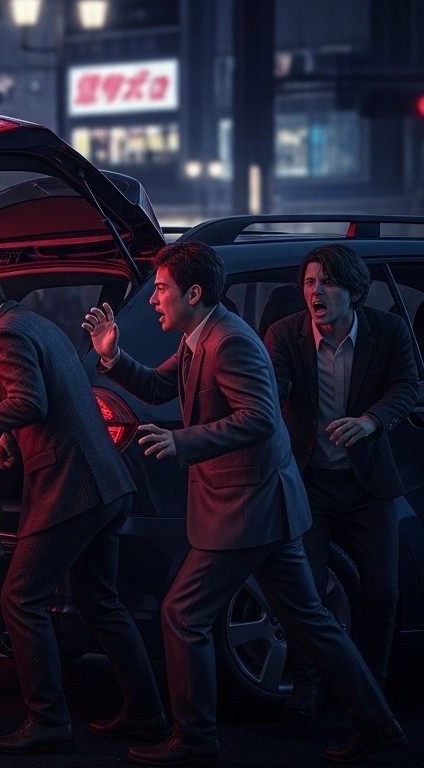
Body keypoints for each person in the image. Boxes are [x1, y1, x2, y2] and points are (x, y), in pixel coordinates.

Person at [83, 240, 406, 765]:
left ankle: (194, 740)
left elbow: (260, 418)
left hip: (248, 506)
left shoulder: (230, 341)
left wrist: (182, 442)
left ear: (193, 291)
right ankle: (379, 725)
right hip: (262, 504)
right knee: (311, 621)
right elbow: (159, 385)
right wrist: (112, 356)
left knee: (183, 614)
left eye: (160, 289)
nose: (153, 300)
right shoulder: (198, 336)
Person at [0, 266, 163, 754]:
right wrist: (11, 434)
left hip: (73, 489)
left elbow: (28, 401)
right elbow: (52, 396)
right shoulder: (34, 322)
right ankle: (147, 713)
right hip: (108, 484)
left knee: (21, 599)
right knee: (102, 603)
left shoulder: (5, 335)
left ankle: (48, 719)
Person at [264, 244, 422, 717]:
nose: (316, 291)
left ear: (355, 292)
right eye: (310, 282)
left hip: (366, 484)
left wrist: (371, 421)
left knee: (382, 592)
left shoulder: (389, 331)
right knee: (305, 593)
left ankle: (370, 691)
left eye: (327, 283)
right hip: (308, 480)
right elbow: (270, 389)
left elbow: (408, 387)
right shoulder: (285, 335)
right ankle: (306, 688)